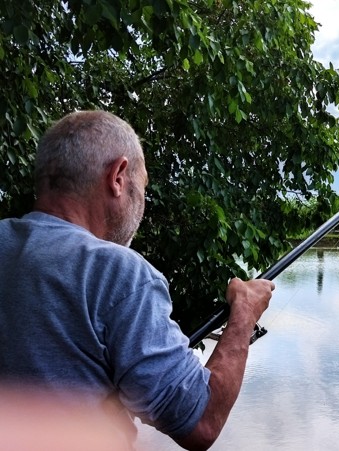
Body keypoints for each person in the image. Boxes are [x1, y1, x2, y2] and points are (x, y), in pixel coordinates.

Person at [0, 110, 275, 450]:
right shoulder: (117, 273)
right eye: (141, 186)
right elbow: (202, 421)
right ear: (117, 177)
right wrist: (244, 313)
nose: (142, 203)